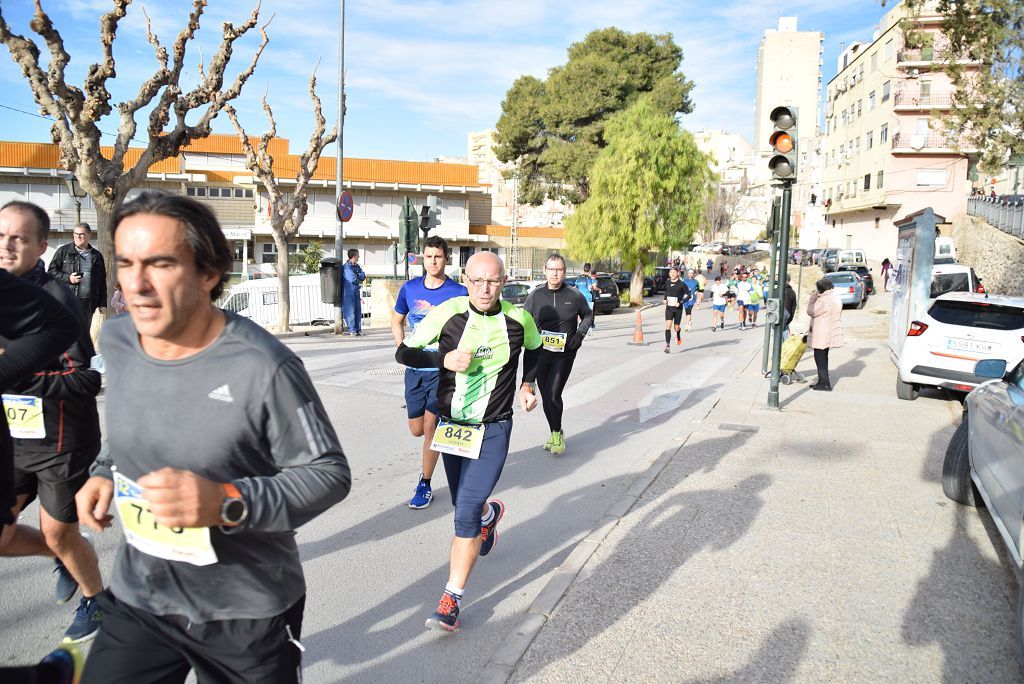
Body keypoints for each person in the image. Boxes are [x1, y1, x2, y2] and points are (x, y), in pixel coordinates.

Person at [73, 192, 351, 683]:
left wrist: (225, 501)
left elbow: (328, 473)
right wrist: (103, 471)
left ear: (208, 273)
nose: (135, 286)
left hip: (242, 611)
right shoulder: (117, 338)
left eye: (160, 264)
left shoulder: (264, 366)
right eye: (125, 264)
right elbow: (134, 416)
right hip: (142, 595)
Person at [395, 251, 541, 633]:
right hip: (452, 425)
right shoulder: (449, 313)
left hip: (493, 427)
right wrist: (442, 361)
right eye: (477, 280)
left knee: (464, 512)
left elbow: (537, 349)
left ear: (504, 281)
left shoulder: (518, 318)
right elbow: (404, 351)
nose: (485, 288)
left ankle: (451, 600)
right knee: (466, 504)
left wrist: (527, 385)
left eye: (492, 281)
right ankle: (489, 517)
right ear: (466, 278)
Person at [0, 201, 105, 642]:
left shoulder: (56, 300)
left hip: (61, 440)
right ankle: (65, 554)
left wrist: (16, 373)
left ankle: (97, 602)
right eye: (0, 236)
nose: (6, 247)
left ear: (41, 246)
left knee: (61, 534)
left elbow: (87, 379)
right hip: (13, 440)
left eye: (18, 239)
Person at [392, 236, 467, 509]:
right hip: (415, 369)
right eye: (428, 256)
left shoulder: (459, 292)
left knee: (429, 428)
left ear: (446, 258)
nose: (433, 261)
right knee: (415, 429)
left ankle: (424, 483)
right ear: (422, 258)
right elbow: (397, 320)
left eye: (438, 256)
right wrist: (403, 348)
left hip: (442, 369)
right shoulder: (409, 289)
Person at [524, 254, 593, 455]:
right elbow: (524, 320)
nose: (555, 273)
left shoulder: (574, 295)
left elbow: (588, 315)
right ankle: (556, 431)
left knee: (554, 393)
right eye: (551, 269)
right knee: (547, 397)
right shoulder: (535, 296)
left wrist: (579, 335)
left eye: (559, 269)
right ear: (544, 270)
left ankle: (556, 433)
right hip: (541, 354)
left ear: (564, 272)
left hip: (565, 354)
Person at [48, 222, 107, 323]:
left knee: (86, 333)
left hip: (89, 303)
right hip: (67, 300)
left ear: (89, 235)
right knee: (67, 331)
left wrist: (103, 304)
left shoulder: (97, 256)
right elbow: (51, 272)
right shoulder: (63, 251)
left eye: (82, 234)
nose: (78, 237)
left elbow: (102, 282)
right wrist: (68, 278)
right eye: (75, 234)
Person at [806, 278, 845, 391]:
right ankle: (821, 381)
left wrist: (812, 299)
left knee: (820, 358)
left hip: (822, 333)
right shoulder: (835, 297)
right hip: (829, 331)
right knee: (823, 357)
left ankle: (824, 383)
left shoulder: (824, 300)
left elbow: (811, 311)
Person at [662, 267, 690, 354]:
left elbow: (689, 295)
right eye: (671, 272)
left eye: (674, 272)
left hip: (678, 309)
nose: (673, 274)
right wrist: (665, 299)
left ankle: (678, 334)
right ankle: (667, 345)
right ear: (669, 274)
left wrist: (681, 302)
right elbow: (666, 292)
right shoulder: (667, 282)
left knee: (676, 327)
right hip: (669, 308)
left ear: (677, 273)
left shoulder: (682, 284)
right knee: (668, 326)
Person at [341, 248, 365, 335]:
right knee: (350, 311)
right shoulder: (347, 267)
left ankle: (358, 330)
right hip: (348, 292)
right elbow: (352, 279)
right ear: (354, 256)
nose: (359, 257)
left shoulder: (356, 266)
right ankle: (352, 330)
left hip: (355, 291)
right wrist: (358, 276)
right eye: (358, 256)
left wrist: (357, 275)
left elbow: (363, 276)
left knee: (358, 311)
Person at [574, 263, 598, 331]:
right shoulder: (588, 278)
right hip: (588, 298)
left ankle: (576, 327)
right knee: (589, 314)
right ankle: (588, 328)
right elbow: (590, 288)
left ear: (583, 269)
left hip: (579, 297)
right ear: (589, 270)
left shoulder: (578, 278)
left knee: (578, 313)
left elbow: (576, 287)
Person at [783, 275, 798, 339]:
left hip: (777, 317)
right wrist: (790, 318)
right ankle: (784, 347)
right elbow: (794, 307)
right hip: (787, 317)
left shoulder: (777, 290)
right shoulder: (792, 292)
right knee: (785, 333)